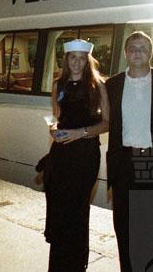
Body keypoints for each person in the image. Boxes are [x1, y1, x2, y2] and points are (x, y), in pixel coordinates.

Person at [106, 31, 153, 272]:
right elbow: (100, 119)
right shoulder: (112, 85)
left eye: (143, 47)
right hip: (124, 164)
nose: (137, 52)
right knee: (124, 231)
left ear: (151, 52)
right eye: (132, 47)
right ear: (125, 53)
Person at [45, 39, 110, 272]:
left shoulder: (98, 85)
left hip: (85, 156)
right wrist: (53, 130)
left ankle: (76, 264)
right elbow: (57, 118)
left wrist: (79, 133)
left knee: (78, 209)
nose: (77, 62)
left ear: (87, 61)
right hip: (61, 155)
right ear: (66, 60)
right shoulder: (58, 85)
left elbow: (107, 123)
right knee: (59, 208)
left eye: (82, 58)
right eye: (73, 57)